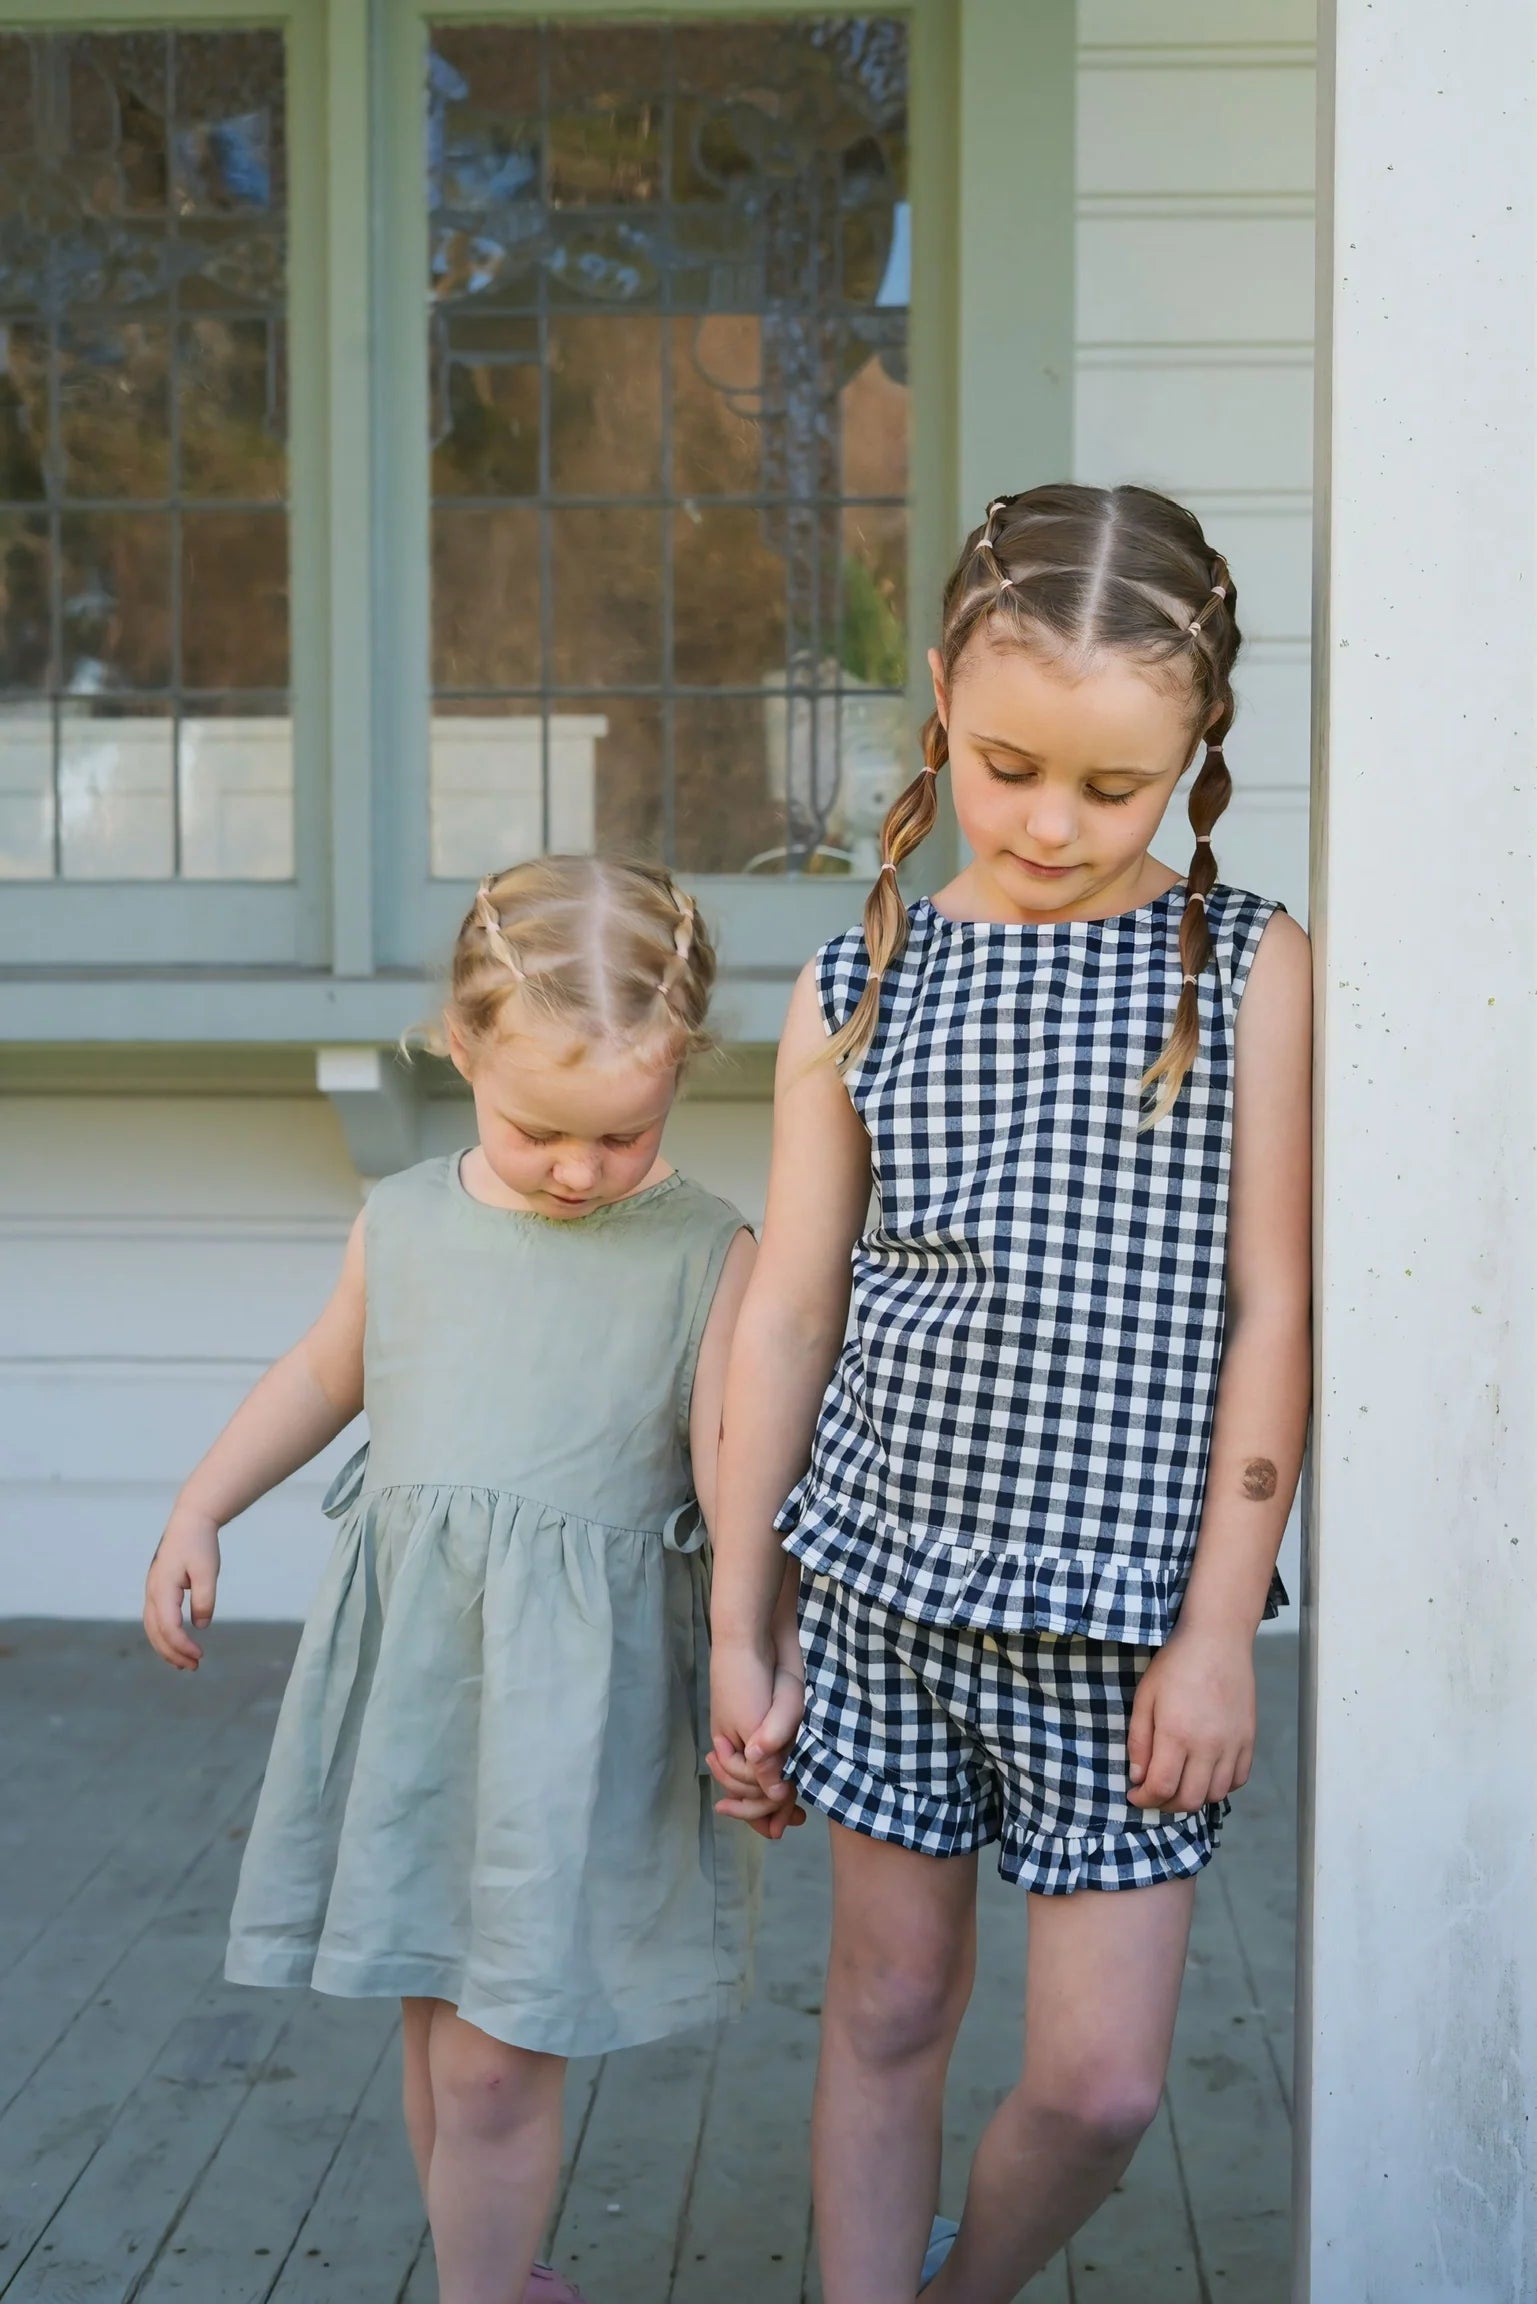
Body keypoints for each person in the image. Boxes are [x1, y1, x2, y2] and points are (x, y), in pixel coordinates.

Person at [708, 485, 1312, 2303]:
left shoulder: (1244, 968)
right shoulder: (855, 982)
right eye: (1006, 764)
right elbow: (790, 1319)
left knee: (1101, 2085)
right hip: (888, 1588)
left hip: (1128, 1629)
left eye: (1111, 787)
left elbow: (1273, 1310)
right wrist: (749, 1623)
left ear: (1194, 750)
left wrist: (1219, 1629)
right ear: (939, 721)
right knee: (886, 2010)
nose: (1051, 823)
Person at [143, 857, 760, 2304]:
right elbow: (319, 1376)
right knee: (433, 2020)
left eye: (623, 1133)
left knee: (493, 2062)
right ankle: (496, 2275)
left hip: (571, 1719)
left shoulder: (703, 1252)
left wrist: (758, 1657)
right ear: (460, 1047)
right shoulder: (410, 1218)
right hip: (420, 1696)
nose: (576, 1169)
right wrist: (200, 1505)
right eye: (540, 1126)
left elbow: (739, 1486)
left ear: (678, 1074)